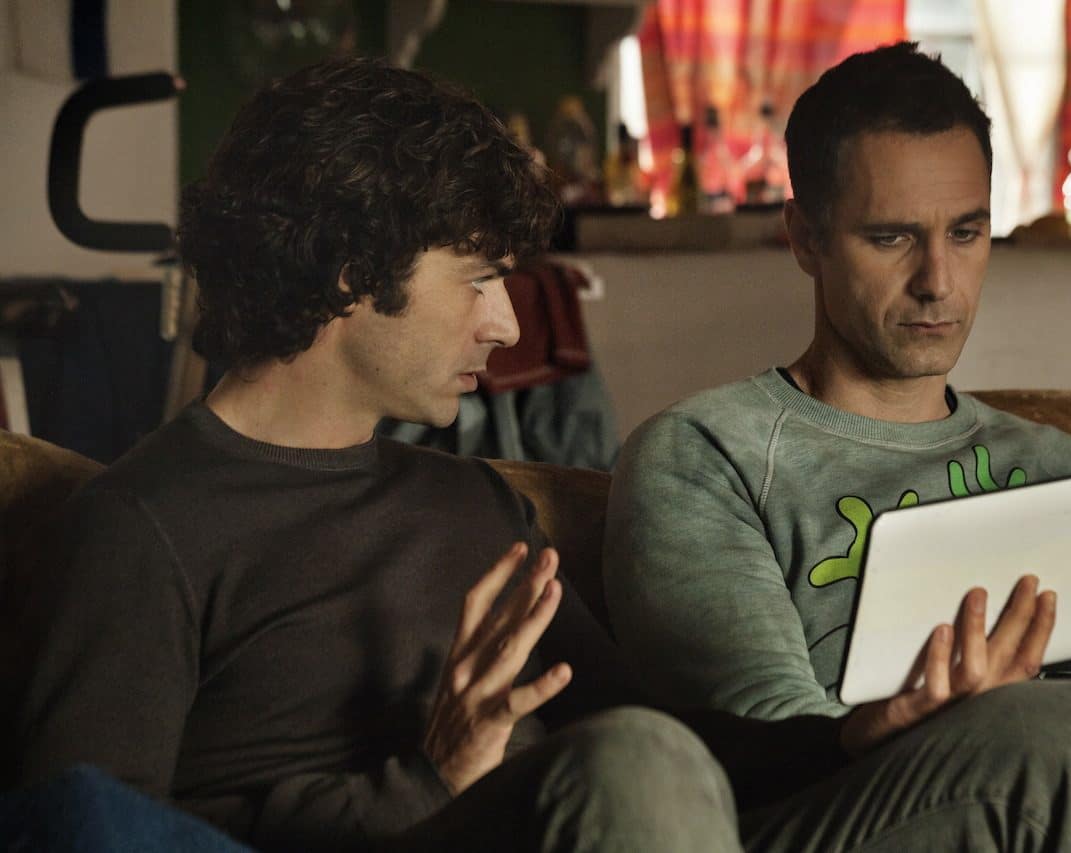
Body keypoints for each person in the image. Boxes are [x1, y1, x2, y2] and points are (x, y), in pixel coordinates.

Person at [8, 56, 783, 852]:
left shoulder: (479, 504)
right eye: (479, 279)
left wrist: (847, 738)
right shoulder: (141, 526)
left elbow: (673, 751)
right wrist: (431, 782)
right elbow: (85, 830)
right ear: (352, 274)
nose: (508, 326)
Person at [604, 42, 1071, 851]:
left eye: (966, 231)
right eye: (892, 237)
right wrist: (980, 728)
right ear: (805, 238)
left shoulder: (1055, 468)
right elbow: (768, 741)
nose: (938, 280)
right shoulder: (707, 454)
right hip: (868, 815)